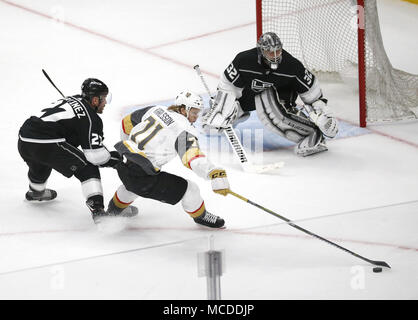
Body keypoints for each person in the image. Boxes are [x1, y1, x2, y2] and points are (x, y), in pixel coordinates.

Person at [202, 32, 339, 157]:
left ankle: (313, 135)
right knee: (212, 128)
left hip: (281, 96)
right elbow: (228, 85)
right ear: (261, 51)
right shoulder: (243, 60)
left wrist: (323, 114)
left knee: (272, 114)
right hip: (250, 93)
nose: (274, 56)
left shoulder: (292, 66)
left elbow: (311, 92)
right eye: (270, 52)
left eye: (277, 51)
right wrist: (222, 107)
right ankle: (236, 113)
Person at [107, 91, 230, 228]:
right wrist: (213, 172)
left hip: (123, 162)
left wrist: (130, 150)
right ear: (183, 109)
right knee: (191, 190)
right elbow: (191, 156)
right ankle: (201, 216)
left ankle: (112, 212)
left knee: (131, 186)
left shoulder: (156, 109)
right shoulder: (183, 129)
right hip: (142, 174)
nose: (195, 118)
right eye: (194, 113)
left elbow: (126, 123)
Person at [18, 78, 122, 222]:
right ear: (95, 100)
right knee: (87, 168)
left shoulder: (74, 98)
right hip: (46, 142)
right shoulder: (92, 119)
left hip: (25, 137)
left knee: (40, 163)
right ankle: (98, 211)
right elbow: (95, 157)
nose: (105, 103)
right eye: (103, 98)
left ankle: (36, 192)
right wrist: (114, 159)